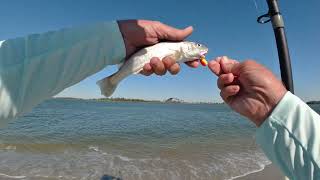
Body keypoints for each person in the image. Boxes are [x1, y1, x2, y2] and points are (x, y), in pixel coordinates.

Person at [0, 19, 319, 179]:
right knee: (130, 72)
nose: (200, 50)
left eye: (198, 49)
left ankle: (113, 80)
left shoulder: (184, 53)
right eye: (198, 47)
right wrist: (275, 108)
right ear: (190, 47)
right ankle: (112, 81)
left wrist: (272, 107)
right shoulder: (180, 48)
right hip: (136, 58)